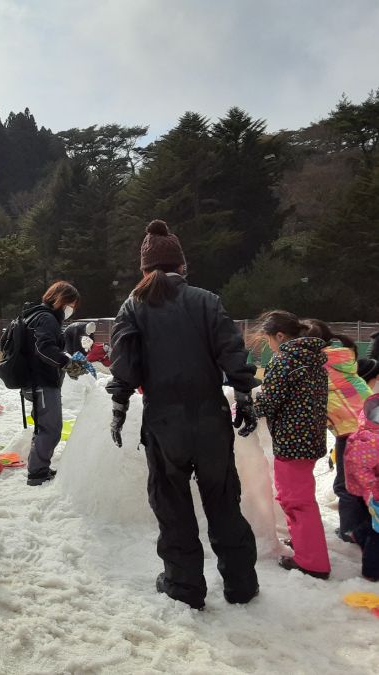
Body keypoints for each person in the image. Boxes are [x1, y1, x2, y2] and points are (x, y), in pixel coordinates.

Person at [107, 220, 259, 610]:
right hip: (210, 417)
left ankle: (184, 586)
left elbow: (125, 365)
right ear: (182, 266)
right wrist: (244, 395)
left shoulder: (133, 306)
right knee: (224, 499)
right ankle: (241, 585)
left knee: (172, 504)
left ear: (145, 269)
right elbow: (232, 350)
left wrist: (119, 405)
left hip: (164, 424)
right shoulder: (206, 300)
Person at [253, 311, 330, 579]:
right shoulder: (313, 358)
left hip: (292, 441)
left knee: (296, 501)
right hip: (310, 438)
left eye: (269, 340)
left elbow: (269, 400)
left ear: (281, 336)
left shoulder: (286, 359)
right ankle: (304, 543)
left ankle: (313, 562)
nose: (270, 346)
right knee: (299, 497)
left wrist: (249, 408)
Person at [305, 319, 372, 543]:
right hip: (370, 426)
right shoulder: (341, 357)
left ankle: (351, 530)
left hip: (352, 433)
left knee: (345, 484)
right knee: (367, 481)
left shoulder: (317, 365)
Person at [20, 281, 82, 487]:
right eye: (70, 304)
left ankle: (38, 467)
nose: (71, 309)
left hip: (35, 381)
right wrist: (68, 363)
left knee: (43, 426)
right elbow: (44, 348)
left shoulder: (37, 315)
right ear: (60, 300)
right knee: (51, 428)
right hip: (42, 381)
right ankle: (37, 473)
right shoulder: (46, 318)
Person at [343, 393, 379, 581]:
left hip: (371, 491)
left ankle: (358, 533)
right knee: (377, 533)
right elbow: (360, 468)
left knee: (374, 525)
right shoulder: (371, 440)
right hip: (372, 492)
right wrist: (373, 489)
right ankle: (371, 572)